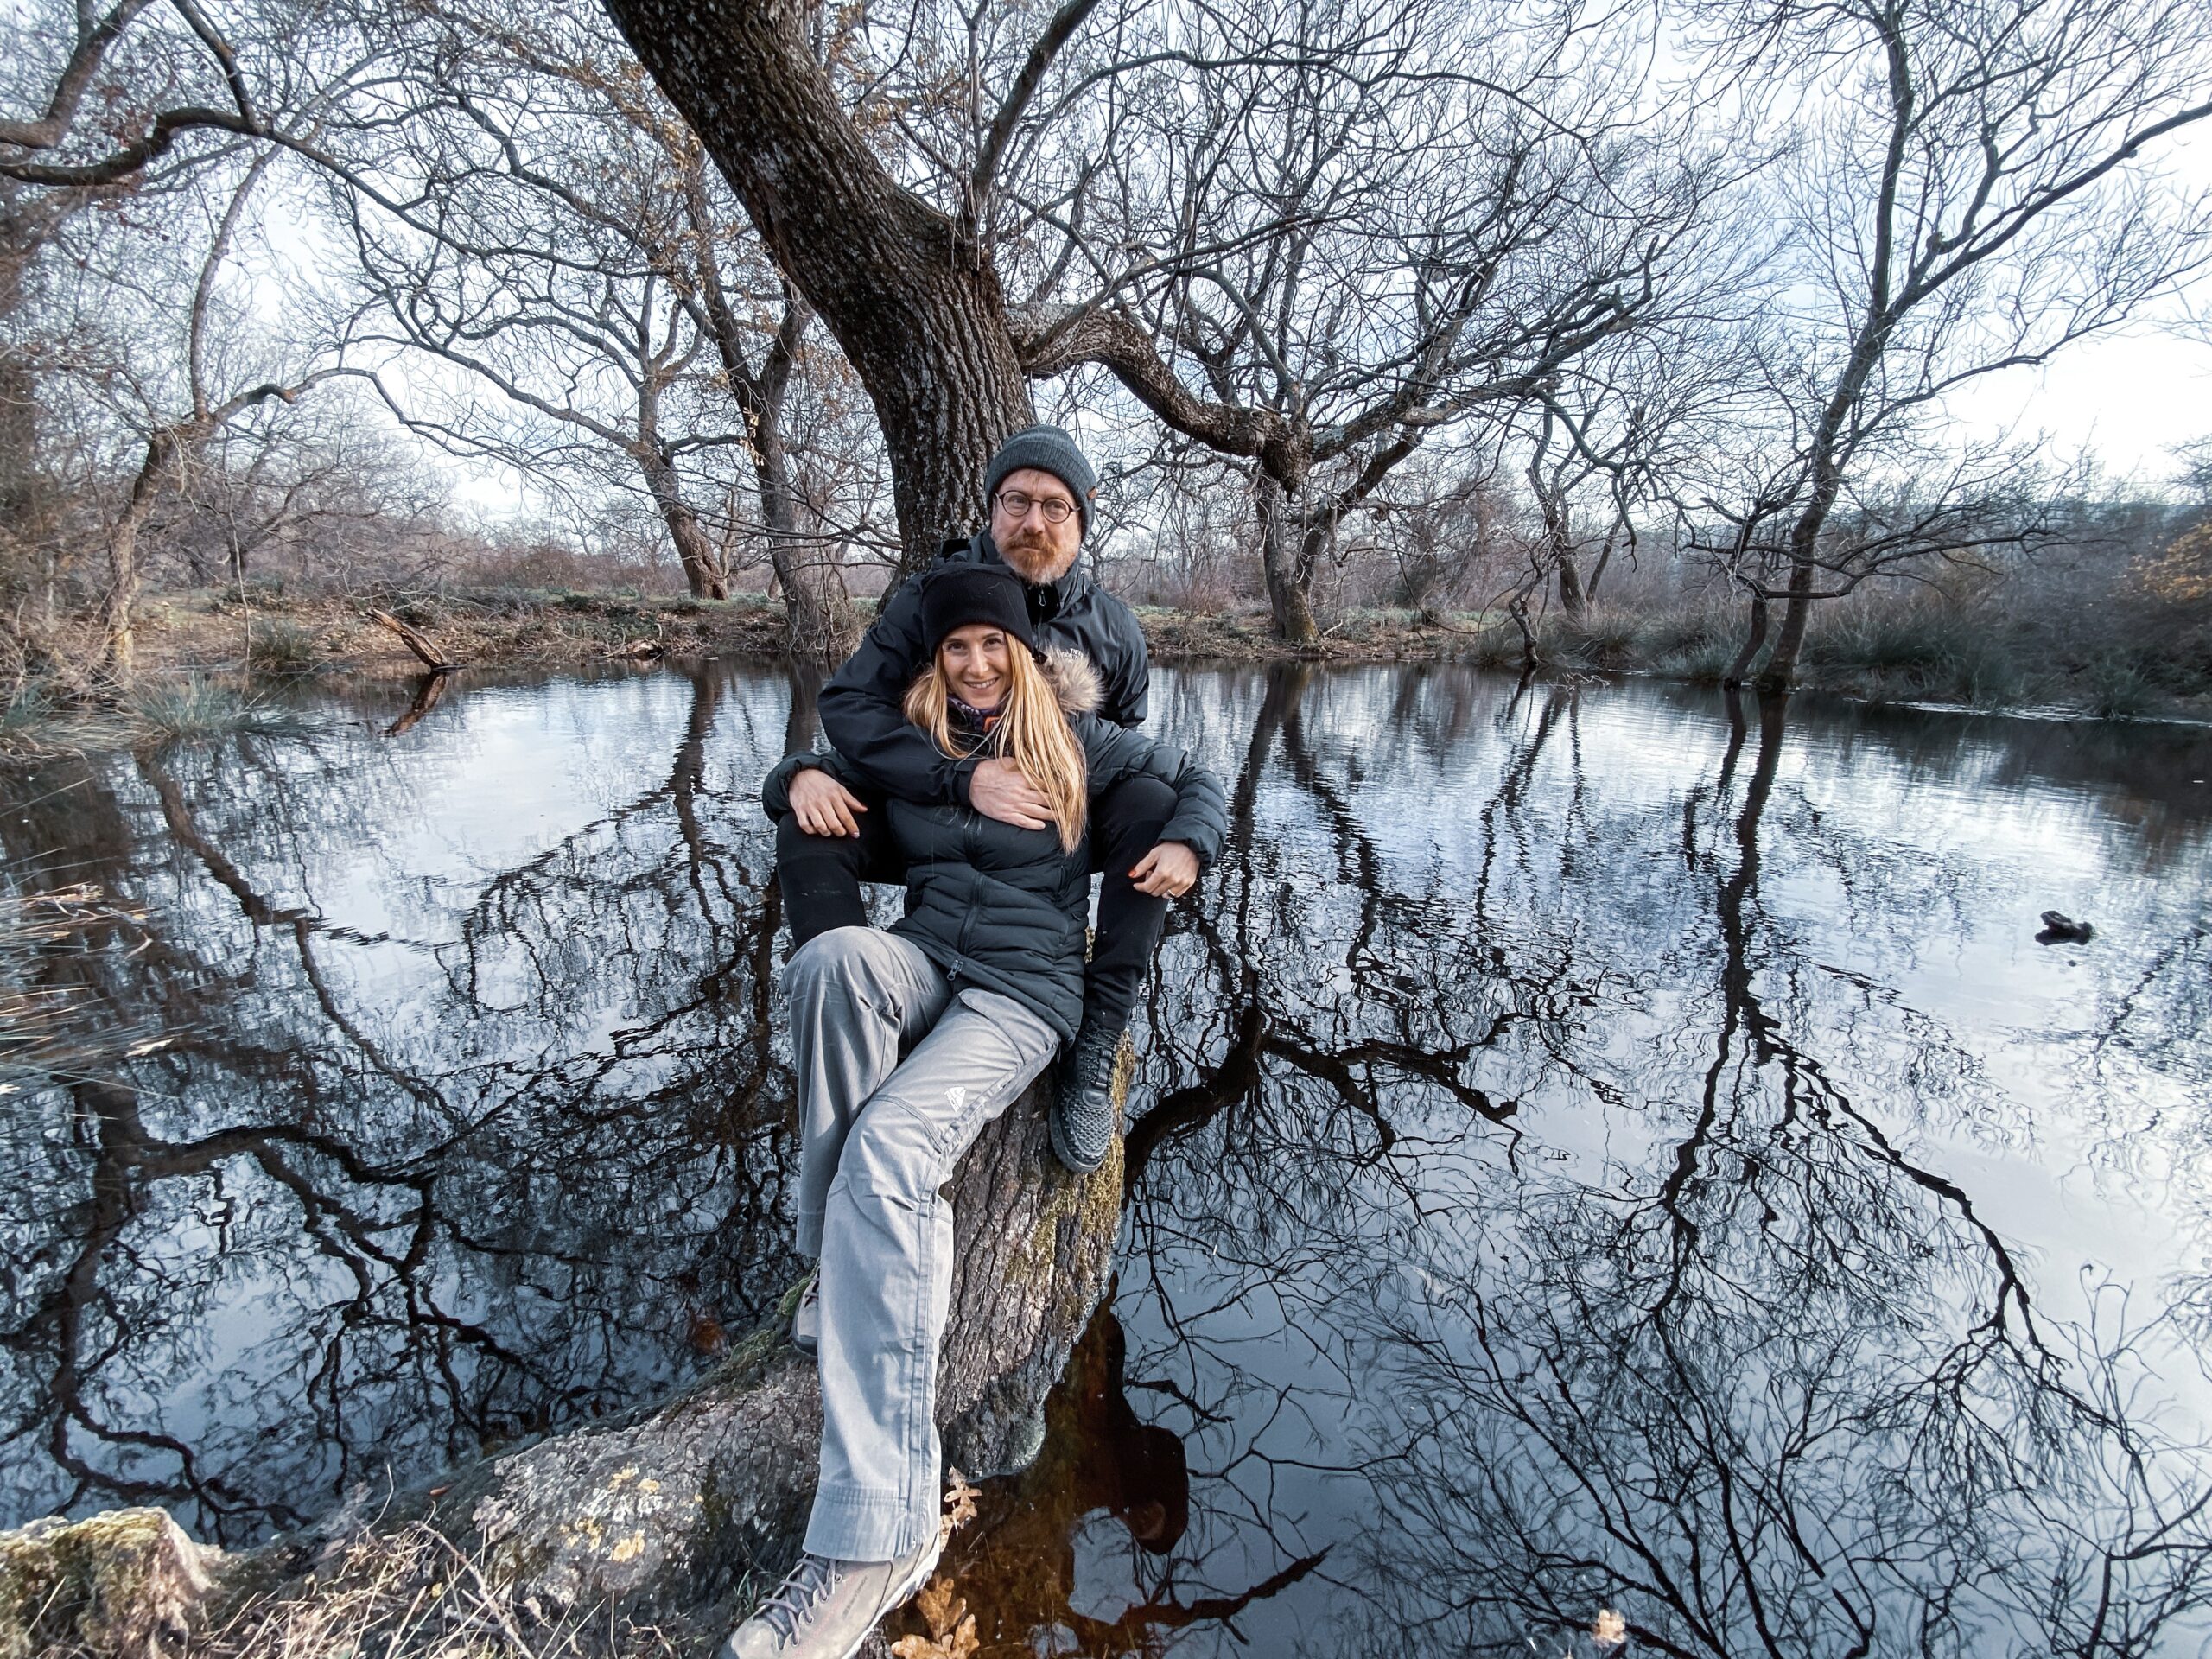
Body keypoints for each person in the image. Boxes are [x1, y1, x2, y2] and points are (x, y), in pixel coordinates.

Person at [721, 563, 1225, 1659]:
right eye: (958, 646)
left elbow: (1198, 780)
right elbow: (814, 776)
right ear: (937, 659)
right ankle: (837, 1263)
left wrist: (1190, 844)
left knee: (892, 1151)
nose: (978, 662)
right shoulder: (922, 746)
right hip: (923, 958)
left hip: (1019, 993)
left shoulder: (1079, 746)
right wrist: (789, 780)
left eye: (995, 644)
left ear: (1025, 656)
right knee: (831, 964)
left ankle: (880, 1535)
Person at [777, 424, 1169, 1174]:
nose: (1033, 522)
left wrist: (1177, 831)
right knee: (809, 826)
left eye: (1054, 506)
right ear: (991, 509)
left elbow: (1125, 751)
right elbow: (852, 707)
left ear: (1083, 516)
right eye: (1016, 501)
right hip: (934, 814)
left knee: (1152, 806)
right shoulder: (932, 598)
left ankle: (1093, 1045)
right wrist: (953, 780)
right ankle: (858, 1019)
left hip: (1045, 831)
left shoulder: (1114, 627)